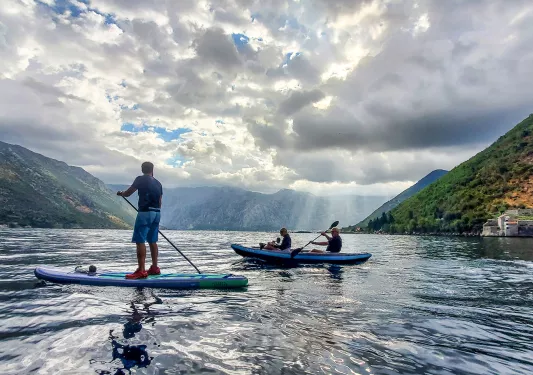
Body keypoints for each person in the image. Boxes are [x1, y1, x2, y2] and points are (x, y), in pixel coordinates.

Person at [117, 161, 163, 279]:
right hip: (157, 213)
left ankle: (141, 270)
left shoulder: (140, 179)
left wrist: (121, 193)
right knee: (152, 241)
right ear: (152, 170)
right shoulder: (158, 183)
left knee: (140, 240)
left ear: (142, 170)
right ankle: (154, 268)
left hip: (145, 213)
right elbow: (160, 202)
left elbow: (128, 193)